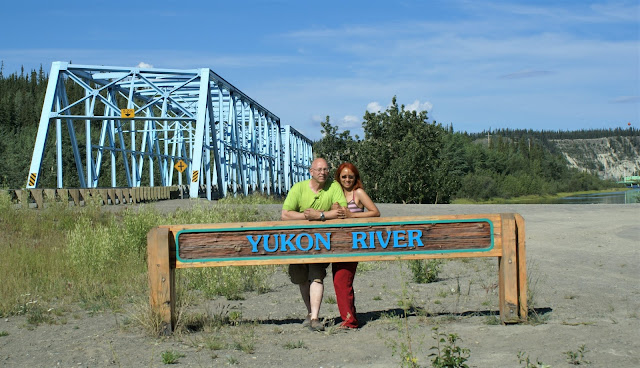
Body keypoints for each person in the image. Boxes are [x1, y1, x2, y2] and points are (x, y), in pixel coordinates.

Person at [281, 158, 347, 331]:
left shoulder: (334, 187)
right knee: (301, 278)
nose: (322, 172)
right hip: (297, 241)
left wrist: (320, 215)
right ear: (311, 171)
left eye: (325, 169)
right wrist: (307, 216)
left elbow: (341, 212)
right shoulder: (299, 188)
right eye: (319, 169)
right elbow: (285, 214)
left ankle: (315, 317)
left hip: (321, 241)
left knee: (316, 275)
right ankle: (310, 313)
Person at [332, 162, 380, 329]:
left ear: (355, 178)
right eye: (343, 176)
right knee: (338, 280)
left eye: (350, 177)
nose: (347, 180)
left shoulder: (358, 193)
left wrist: (352, 214)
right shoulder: (335, 193)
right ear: (338, 178)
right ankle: (348, 316)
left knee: (342, 280)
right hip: (336, 243)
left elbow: (375, 212)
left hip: (353, 243)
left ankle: (350, 321)